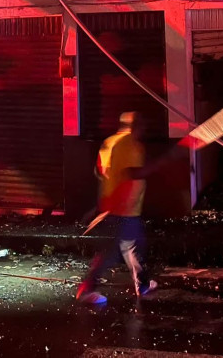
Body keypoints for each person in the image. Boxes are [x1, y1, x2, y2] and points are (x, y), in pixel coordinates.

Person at [76, 111, 158, 305]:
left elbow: (100, 172)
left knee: (133, 247)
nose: (144, 129)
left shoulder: (109, 142)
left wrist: (102, 204)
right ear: (135, 126)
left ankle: (142, 285)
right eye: (142, 125)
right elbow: (131, 174)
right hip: (123, 208)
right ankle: (86, 290)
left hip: (116, 206)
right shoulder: (130, 145)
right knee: (111, 253)